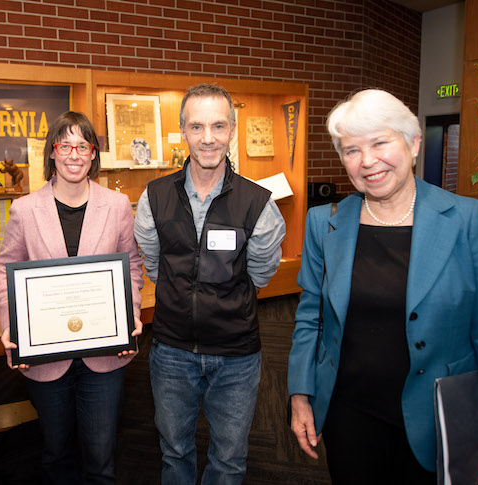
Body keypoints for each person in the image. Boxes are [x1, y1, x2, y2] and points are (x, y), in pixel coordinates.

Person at [287, 89, 478, 484]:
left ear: (413, 142)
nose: (367, 161)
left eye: (380, 142)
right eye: (351, 150)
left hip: (442, 419)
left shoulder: (465, 220)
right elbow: (311, 316)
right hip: (349, 416)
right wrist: (301, 393)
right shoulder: (325, 223)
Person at [133, 83, 286, 484]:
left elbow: (262, 274)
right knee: (174, 453)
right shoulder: (154, 197)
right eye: (197, 127)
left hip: (236, 354)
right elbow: (153, 264)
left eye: (218, 126)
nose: (207, 138)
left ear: (232, 130)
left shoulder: (259, 203)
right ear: (183, 131)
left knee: (229, 461)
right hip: (171, 350)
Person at [0, 111, 144, 484]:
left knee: (101, 459)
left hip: (105, 356)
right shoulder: (25, 209)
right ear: (53, 152)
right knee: (55, 455)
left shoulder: (118, 205)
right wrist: (13, 327)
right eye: (65, 145)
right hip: (46, 358)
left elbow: (132, 266)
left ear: (94, 154)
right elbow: (5, 270)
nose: (74, 154)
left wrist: (130, 314)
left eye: (83, 145)